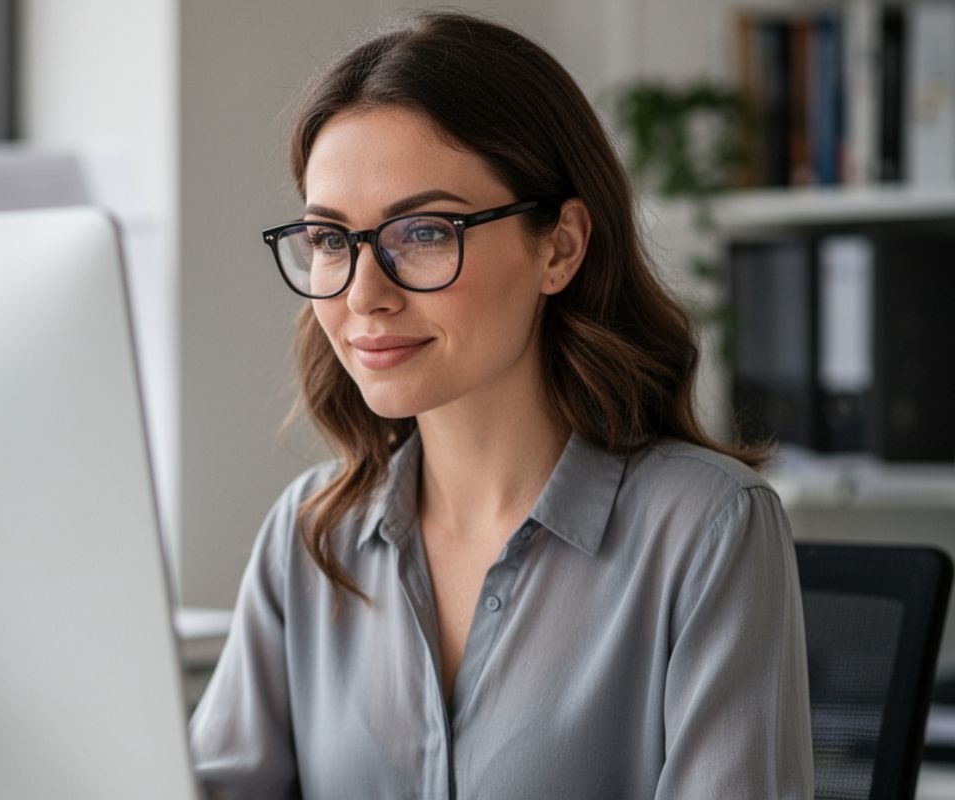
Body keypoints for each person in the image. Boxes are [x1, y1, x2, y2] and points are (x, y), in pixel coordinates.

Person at [190, 10, 813, 799]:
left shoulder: (706, 530)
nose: (364, 294)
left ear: (559, 246)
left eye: (422, 231)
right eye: (329, 239)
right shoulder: (311, 535)